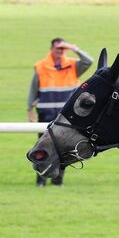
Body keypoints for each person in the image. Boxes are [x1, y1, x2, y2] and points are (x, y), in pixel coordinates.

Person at [27, 38, 93, 186]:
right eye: (58, 48)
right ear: (51, 49)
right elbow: (33, 89)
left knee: (64, 148)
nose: (60, 51)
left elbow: (89, 61)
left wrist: (74, 49)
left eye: (63, 49)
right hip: (46, 113)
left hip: (66, 116)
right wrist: (29, 109)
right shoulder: (41, 66)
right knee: (42, 147)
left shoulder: (73, 65)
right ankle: (41, 179)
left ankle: (58, 180)